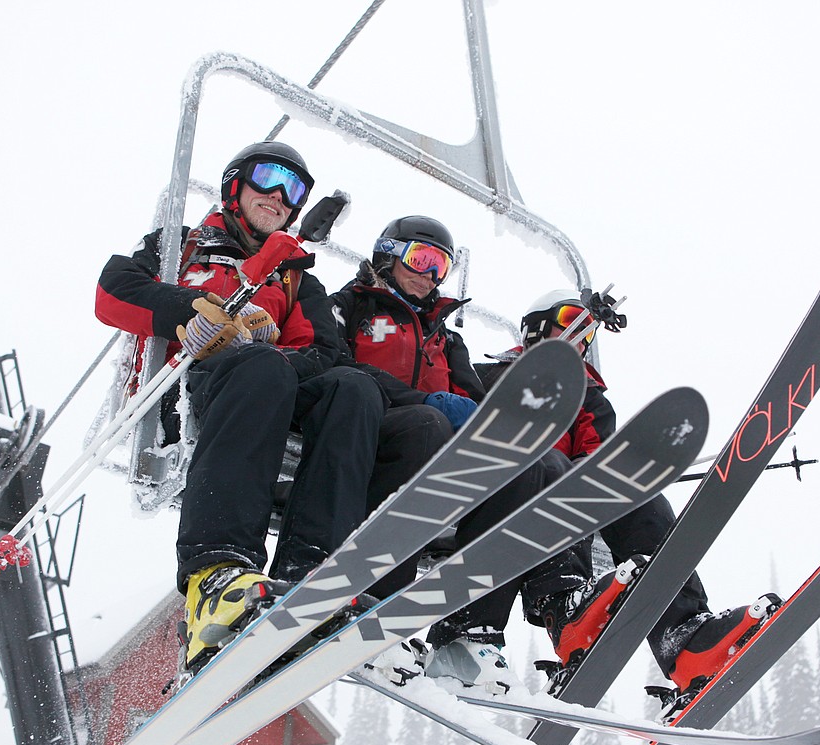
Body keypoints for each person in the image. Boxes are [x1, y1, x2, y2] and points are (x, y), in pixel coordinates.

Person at [95, 141, 385, 675]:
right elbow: (113, 293)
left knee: (355, 389)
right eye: (268, 178)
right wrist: (189, 310)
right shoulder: (179, 247)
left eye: (293, 188)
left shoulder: (294, 277)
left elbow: (324, 353)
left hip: (264, 387)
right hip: (185, 391)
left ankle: (313, 573)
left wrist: (268, 343)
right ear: (234, 184)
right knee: (260, 367)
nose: (279, 195)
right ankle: (218, 573)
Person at [476, 288, 782, 700]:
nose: (580, 336)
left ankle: (685, 638)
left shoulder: (589, 398)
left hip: (565, 500)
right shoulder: (490, 375)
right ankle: (562, 609)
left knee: (641, 499)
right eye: (569, 321)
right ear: (535, 329)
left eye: (587, 331)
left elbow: (598, 457)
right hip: (507, 491)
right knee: (553, 471)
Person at [330, 216, 592, 694]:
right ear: (388, 254)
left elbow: (476, 404)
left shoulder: (448, 341)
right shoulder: (353, 307)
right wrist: (421, 402)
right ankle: (377, 603)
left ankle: (467, 629)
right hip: (372, 430)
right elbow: (330, 364)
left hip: (438, 451)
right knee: (427, 425)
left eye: (441, 266)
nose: (430, 274)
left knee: (530, 462)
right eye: (421, 259)